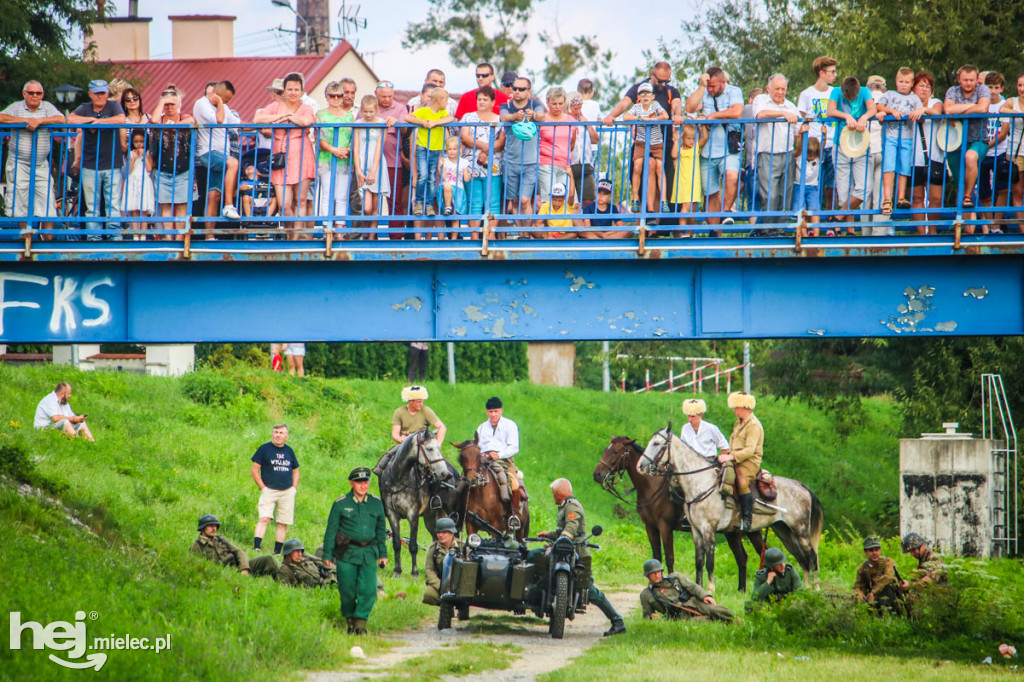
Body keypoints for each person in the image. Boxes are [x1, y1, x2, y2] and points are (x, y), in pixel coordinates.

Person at [534, 478, 626, 636]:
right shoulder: (565, 506)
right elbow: (563, 530)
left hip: (577, 553)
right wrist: (548, 535)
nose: (553, 496)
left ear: (558, 493)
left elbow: (570, 528)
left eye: (553, 493)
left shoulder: (572, 506)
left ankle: (618, 621)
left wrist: (558, 542)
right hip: (567, 551)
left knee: (588, 590)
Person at [604, 62, 683, 209]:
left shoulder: (672, 91)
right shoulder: (640, 89)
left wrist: (678, 115)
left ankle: (660, 223)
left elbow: (676, 105)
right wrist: (610, 116)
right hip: (642, 142)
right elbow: (625, 104)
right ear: (652, 76)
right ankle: (646, 220)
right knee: (641, 178)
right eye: (661, 81)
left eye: (667, 81)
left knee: (666, 181)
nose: (664, 84)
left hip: (663, 143)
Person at [322, 466, 388, 635]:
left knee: (369, 590)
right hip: (347, 553)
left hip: (369, 553)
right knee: (347, 591)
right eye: (359, 483)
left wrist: (383, 554)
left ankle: (360, 624)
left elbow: (381, 530)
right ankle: (350, 621)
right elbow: (331, 531)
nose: (363, 486)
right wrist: (328, 554)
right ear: (352, 483)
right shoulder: (341, 504)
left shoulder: (376, 503)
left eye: (365, 482)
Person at [254, 73, 316, 239]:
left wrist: (290, 117)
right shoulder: (276, 106)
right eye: (290, 89)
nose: (293, 92)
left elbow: (306, 121)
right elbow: (258, 118)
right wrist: (281, 117)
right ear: (284, 91)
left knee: (300, 200)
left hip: (301, 153)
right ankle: (290, 234)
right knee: (284, 204)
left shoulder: (306, 107)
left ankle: (295, 239)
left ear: (302, 91)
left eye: (297, 89)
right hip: (280, 156)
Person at [0, 81, 65, 231]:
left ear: (42, 95)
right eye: (31, 93)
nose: (35, 96)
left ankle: (47, 241)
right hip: (19, 163)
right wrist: (25, 120)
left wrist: (40, 121)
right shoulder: (17, 107)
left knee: (48, 201)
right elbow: (1, 117)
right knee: (19, 202)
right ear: (24, 94)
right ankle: (25, 238)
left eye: (38, 93)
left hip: (41, 163)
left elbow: (61, 119)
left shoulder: (47, 107)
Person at [686, 66, 744, 227]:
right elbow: (689, 108)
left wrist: (713, 116)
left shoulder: (734, 91)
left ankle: (725, 213)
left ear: (723, 82)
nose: (711, 89)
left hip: (729, 147)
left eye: (713, 86)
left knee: (732, 176)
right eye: (708, 86)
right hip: (707, 151)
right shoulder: (704, 92)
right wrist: (702, 87)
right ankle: (714, 231)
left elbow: (737, 111)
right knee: (710, 193)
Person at [68, 80, 126, 240]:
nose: (100, 96)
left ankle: (114, 234)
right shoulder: (85, 107)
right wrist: (91, 120)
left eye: (103, 93)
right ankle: (94, 236)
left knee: (113, 202)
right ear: (90, 94)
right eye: (97, 93)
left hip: (112, 162)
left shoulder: (113, 105)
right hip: (89, 163)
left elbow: (121, 119)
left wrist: (98, 122)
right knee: (92, 205)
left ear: (107, 93)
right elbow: (71, 119)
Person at [753, 75, 804, 226]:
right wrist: (782, 114)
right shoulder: (761, 100)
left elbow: (800, 129)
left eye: (783, 89)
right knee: (770, 195)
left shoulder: (791, 106)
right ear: (769, 89)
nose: (780, 92)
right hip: (768, 154)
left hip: (787, 154)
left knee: (785, 195)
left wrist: (804, 129)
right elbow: (760, 114)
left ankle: (780, 229)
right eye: (777, 89)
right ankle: (768, 231)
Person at [875, 67, 925, 216]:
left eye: (906, 82)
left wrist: (919, 112)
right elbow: (879, 106)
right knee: (889, 165)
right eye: (900, 82)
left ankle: (901, 197)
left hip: (907, 136)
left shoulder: (915, 98)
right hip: (890, 135)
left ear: (911, 84)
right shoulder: (890, 94)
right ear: (896, 82)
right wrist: (891, 111)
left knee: (904, 166)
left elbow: (922, 111)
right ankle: (887, 198)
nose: (903, 85)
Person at [828, 77, 878, 226]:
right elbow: (830, 110)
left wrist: (864, 117)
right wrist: (846, 115)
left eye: (853, 97)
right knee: (843, 192)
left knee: (865, 188)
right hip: (841, 146)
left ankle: (837, 218)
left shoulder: (865, 91)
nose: (850, 100)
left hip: (860, 146)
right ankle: (849, 230)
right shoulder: (836, 91)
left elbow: (873, 109)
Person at [944, 65, 991, 215]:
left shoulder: (982, 90)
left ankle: (968, 196)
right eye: (965, 80)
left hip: (978, 139)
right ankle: (965, 226)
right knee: (959, 183)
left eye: (971, 80)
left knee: (970, 157)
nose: (968, 83)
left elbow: (983, 108)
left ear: (977, 80)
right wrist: (973, 107)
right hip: (956, 142)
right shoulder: (952, 91)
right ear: (959, 80)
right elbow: (948, 109)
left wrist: (959, 113)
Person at [192, 80, 242, 223]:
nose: (226, 103)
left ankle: (210, 237)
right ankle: (228, 205)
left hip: (221, 154)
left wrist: (260, 126)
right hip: (207, 152)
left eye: (228, 101)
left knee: (214, 195)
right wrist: (220, 102)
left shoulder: (224, 107)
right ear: (216, 94)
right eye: (225, 99)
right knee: (233, 163)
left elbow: (238, 125)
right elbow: (219, 120)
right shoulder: (201, 104)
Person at [460, 85, 505, 238]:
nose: (481, 102)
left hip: (493, 167)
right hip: (471, 167)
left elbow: (502, 141)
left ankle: (489, 236)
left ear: (493, 102)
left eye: (485, 99)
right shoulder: (468, 117)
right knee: (474, 203)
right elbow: (465, 137)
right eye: (479, 99)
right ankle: (474, 236)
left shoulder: (500, 119)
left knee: (492, 203)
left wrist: (486, 151)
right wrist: (484, 146)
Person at [149, 85, 194, 238]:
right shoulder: (159, 120)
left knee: (182, 205)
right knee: (165, 205)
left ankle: (180, 237)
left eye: (172, 104)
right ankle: (168, 237)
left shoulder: (185, 118)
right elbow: (154, 120)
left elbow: (192, 121)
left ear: (179, 105)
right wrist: (162, 102)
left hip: (183, 168)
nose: (169, 107)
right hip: (163, 168)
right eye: (166, 104)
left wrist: (173, 125)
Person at [500, 77, 547, 224]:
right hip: (510, 161)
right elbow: (503, 117)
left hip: (531, 162)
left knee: (525, 200)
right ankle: (520, 233)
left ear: (529, 91)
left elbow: (542, 116)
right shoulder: (506, 105)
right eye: (515, 89)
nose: (517, 92)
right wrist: (515, 116)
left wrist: (533, 115)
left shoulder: (535, 103)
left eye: (521, 89)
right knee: (514, 202)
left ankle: (527, 234)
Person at [373, 385, 447, 476]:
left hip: (422, 444)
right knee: (390, 454)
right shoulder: (399, 412)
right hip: (406, 444)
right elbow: (395, 433)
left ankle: (445, 478)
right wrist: (400, 439)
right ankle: (381, 471)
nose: (421, 404)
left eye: (422, 401)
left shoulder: (426, 411)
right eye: (419, 402)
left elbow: (441, 427)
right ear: (411, 401)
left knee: (437, 461)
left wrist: (438, 444)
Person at [406, 85, 455, 218]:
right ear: (439, 100)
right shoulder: (424, 111)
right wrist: (423, 122)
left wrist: (434, 123)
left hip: (435, 149)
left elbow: (450, 118)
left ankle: (428, 205)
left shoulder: (441, 113)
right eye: (446, 101)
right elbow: (408, 118)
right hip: (422, 146)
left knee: (432, 178)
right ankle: (419, 202)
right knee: (423, 175)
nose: (447, 103)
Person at [797, 57, 839, 213]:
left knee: (832, 186)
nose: (835, 75)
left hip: (832, 144)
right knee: (811, 185)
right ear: (822, 73)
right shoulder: (807, 94)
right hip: (813, 147)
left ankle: (831, 219)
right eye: (832, 72)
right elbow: (799, 120)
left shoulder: (835, 92)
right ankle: (808, 222)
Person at [251, 424, 300, 554]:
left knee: (283, 522)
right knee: (264, 518)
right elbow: (255, 470)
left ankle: (277, 552)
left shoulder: (289, 451)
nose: (278, 435)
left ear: (286, 436)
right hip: (269, 490)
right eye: (276, 432)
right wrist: (263, 487)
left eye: (281, 433)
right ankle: (256, 547)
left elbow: (295, 470)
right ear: (272, 434)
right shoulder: (264, 449)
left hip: (287, 492)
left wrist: (294, 488)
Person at [909, 72, 946, 235]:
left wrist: (923, 109)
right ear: (914, 87)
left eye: (927, 86)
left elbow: (937, 112)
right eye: (921, 85)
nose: (924, 89)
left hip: (934, 156)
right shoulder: (907, 103)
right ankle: (922, 233)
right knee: (916, 198)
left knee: (935, 198)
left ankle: (932, 231)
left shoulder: (935, 102)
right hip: (912, 157)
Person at [639, 558, 734, 621]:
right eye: (653, 573)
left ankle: (736, 619)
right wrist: (651, 617)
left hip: (694, 603)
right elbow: (646, 615)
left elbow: (692, 586)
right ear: (647, 575)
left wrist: (705, 595)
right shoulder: (646, 594)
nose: (657, 575)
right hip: (680, 616)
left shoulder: (675, 578)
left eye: (658, 572)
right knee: (706, 621)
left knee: (717, 611)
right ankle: (729, 623)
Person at [316, 81, 354, 234]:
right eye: (333, 95)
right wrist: (333, 150)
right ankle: (327, 228)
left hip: (344, 159)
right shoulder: (320, 115)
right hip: (326, 159)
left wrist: (347, 150)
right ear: (327, 97)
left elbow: (353, 137)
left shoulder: (349, 116)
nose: (336, 98)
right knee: (327, 194)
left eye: (339, 95)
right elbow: (319, 138)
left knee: (341, 196)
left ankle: (340, 229)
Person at [624, 82, 669, 214]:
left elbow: (665, 116)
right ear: (638, 97)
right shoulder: (637, 107)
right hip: (641, 142)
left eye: (648, 94)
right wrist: (639, 118)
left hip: (656, 143)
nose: (645, 97)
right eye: (642, 94)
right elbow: (625, 116)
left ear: (652, 96)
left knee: (660, 167)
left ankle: (663, 201)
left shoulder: (655, 105)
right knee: (637, 166)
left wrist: (655, 119)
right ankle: (635, 198)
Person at [721, 391, 762, 530]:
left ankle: (747, 519)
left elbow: (750, 450)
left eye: (736, 407)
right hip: (735, 459)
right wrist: (726, 455)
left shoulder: (754, 425)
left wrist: (731, 457)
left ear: (744, 407)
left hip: (749, 462)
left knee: (741, 480)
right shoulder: (738, 423)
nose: (734, 410)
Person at [191, 514, 279, 577]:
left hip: (240, 567)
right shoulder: (197, 546)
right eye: (210, 526)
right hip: (227, 574)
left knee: (268, 559)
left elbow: (239, 551)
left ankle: (284, 581)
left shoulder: (221, 538)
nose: (214, 528)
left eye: (215, 526)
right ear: (202, 528)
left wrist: (244, 568)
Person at [475, 396, 523, 504]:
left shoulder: (510, 425)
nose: (493, 415)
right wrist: (482, 455)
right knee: (466, 477)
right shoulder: (481, 427)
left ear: (501, 410)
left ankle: (514, 512)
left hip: (504, 461)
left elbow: (514, 447)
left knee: (514, 484)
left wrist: (499, 455)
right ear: (487, 412)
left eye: (496, 411)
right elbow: (477, 446)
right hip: (484, 460)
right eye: (490, 411)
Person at [980, 71, 1012, 230]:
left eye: (996, 87)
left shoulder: (1003, 105)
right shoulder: (982, 104)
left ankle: (996, 225)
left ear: (1002, 88)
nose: (992, 91)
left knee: (1003, 189)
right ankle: (988, 225)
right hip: (983, 154)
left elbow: (1004, 133)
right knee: (984, 192)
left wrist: (987, 145)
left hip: (1000, 152)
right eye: (989, 87)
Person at [352, 94, 391, 223]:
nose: (368, 115)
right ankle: (364, 233)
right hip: (362, 163)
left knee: (375, 205)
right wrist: (358, 170)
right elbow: (356, 148)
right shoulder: (357, 124)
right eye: (365, 111)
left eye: (371, 111)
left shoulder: (381, 124)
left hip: (376, 164)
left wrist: (373, 171)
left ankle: (371, 236)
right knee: (366, 207)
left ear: (376, 110)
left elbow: (380, 148)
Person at [537, 87, 577, 205]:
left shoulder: (571, 120)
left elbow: (572, 143)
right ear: (548, 102)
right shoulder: (542, 119)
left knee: (567, 202)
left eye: (560, 103)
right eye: (554, 103)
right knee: (548, 202)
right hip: (546, 164)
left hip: (565, 165)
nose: (558, 106)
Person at [671, 123, 709, 236]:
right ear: (683, 138)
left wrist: (701, 125)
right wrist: (677, 140)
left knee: (693, 208)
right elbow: (673, 154)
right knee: (686, 206)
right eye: (688, 138)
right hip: (683, 182)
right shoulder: (680, 150)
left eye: (693, 138)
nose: (691, 141)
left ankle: (690, 232)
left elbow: (705, 137)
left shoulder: (695, 147)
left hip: (694, 182)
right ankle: (682, 231)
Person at [853, 535, 904, 614]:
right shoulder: (863, 568)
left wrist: (873, 592)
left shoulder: (887, 561)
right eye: (871, 550)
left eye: (877, 550)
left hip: (890, 600)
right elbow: (857, 587)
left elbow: (889, 577)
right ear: (865, 552)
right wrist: (860, 595)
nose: (875, 553)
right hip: (873, 602)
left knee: (888, 587)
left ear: (880, 550)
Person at [568, 88, 600, 205]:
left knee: (589, 200)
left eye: (579, 108)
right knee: (571, 201)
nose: (578, 111)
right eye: (575, 108)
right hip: (569, 165)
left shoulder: (583, 120)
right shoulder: (563, 121)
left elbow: (596, 140)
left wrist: (588, 125)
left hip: (585, 165)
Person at [423, 516, 462, 605]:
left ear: (452, 533)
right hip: (441, 582)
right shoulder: (433, 549)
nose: (440, 535)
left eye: (444, 532)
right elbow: (429, 569)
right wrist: (440, 586)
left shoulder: (462, 547)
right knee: (428, 595)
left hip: (460, 584)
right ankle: (445, 604)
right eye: (439, 532)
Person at [122, 130, 155, 237]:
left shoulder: (148, 153)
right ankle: (135, 234)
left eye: (141, 141)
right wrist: (133, 159)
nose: (139, 144)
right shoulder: (131, 153)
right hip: (133, 181)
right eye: (136, 142)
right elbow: (129, 170)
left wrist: (144, 156)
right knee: (134, 210)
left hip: (144, 181)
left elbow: (149, 168)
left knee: (143, 210)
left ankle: (143, 234)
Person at [792, 136, 822, 236]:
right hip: (798, 186)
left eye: (812, 157)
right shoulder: (799, 156)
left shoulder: (819, 157)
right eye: (808, 157)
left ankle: (816, 235)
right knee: (800, 210)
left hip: (813, 187)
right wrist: (801, 134)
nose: (810, 159)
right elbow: (799, 147)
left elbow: (823, 146)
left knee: (814, 210)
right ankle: (803, 234)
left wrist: (824, 136)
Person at [439, 135, 469, 216]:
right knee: (447, 185)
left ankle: (455, 229)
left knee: (456, 214)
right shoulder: (444, 160)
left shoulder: (463, 162)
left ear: (459, 149)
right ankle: (448, 207)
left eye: (454, 149)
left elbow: (466, 179)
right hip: (446, 189)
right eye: (449, 149)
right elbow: (443, 177)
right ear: (446, 150)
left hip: (458, 188)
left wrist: (471, 175)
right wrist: (440, 166)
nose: (452, 151)